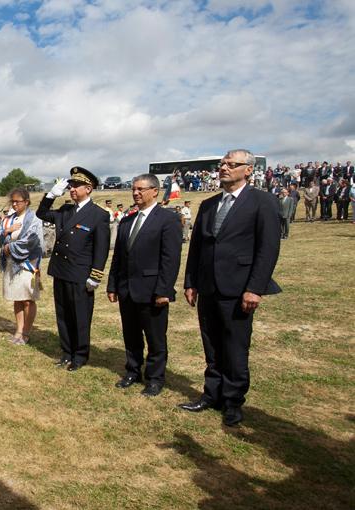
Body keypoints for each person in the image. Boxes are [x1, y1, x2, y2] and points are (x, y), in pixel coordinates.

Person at [180, 149, 281, 427]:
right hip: (208, 287)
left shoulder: (262, 202)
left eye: (231, 164)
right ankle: (211, 394)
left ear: (248, 170)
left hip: (238, 289)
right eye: (222, 164)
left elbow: (268, 249)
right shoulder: (209, 204)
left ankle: (233, 401)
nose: (224, 168)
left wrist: (255, 288)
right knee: (211, 345)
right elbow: (197, 247)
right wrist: (190, 282)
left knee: (235, 347)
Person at [107, 174, 182, 397]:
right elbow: (118, 258)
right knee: (131, 335)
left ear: (155, 191)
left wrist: (163, 290)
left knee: (155, 338)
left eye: (141, 189)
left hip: (152, 291)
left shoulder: (167, 219)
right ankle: (132, 371)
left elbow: (170, 259)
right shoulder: (127, 221)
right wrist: (112, 285)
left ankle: (155, 378)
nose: (136, 193)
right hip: (127, 289)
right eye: (134, 189)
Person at [37, 167, 111, 371]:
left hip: (80, 274)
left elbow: (101, 249)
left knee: (80, 316)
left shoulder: (98, 215)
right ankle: (66, 352)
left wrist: (96, 275)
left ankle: (80, 355)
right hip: (61, 270)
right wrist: (51, 195)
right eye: (70, 185)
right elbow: (41, 213)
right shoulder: (65, 210)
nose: (72, 189)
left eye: (76, 186)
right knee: (63, 314)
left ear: (88, 188)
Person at [0, 187, 45, 345]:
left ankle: (26, 332)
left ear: (27, 202)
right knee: (17, 298)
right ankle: (18, 330)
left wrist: (10, 247)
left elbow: (32, 240)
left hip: (27, 264)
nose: (14, 204)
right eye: (13, 201)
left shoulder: (34, 219)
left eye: (18, 201)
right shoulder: (8, 219)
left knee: (27, 299)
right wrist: (6, 231)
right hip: (11, 264)